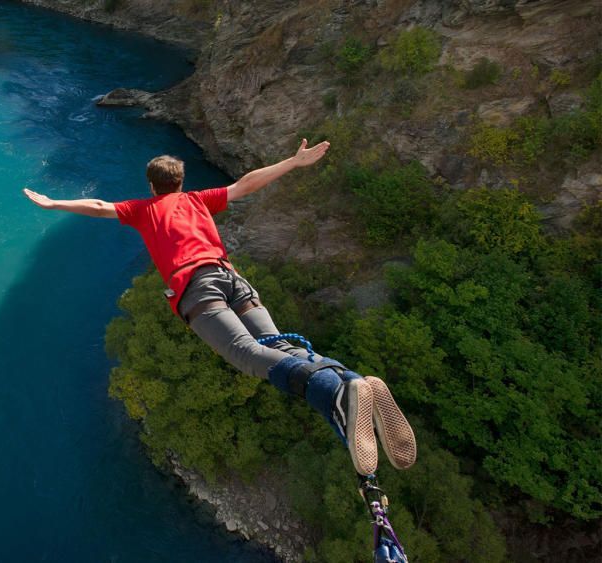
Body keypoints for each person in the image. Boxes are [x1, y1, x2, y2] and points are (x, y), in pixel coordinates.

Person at [22, 140, 416, 476]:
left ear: (151, 185)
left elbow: (99, 205)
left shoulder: (143, 210)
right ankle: (349, 379)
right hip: (232, 278)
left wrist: (54, 203)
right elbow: (246, 185)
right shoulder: (198, 200)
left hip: (196, 287)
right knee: (279, 346)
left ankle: (335, 393)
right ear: (180, 181)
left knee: (246, 354)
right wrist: (294, 162)